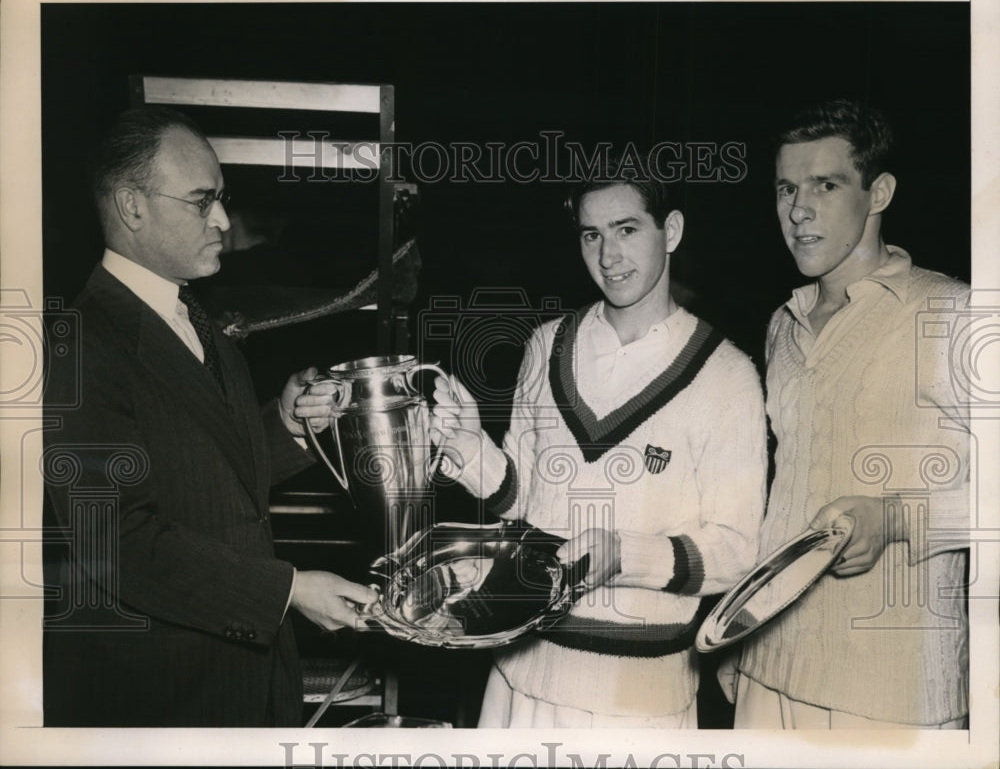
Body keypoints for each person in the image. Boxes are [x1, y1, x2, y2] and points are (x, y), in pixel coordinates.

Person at [42, 106, 376, 727]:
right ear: (131, 206)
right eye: (201, 201)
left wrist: (288, 425)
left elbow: (207, 478)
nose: (223, 221)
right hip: (159, 697)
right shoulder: (80, 343)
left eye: (222, 198)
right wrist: (288, 592)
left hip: (243, 681)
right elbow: (114, 540)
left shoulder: (195, 319)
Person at [428, 162, 768, 727]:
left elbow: (735, 551)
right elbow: (524, 502)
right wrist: (472, 452)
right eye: (592, 235)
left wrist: (623, 555)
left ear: (673, 231)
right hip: (521, 676)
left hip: (639, 702)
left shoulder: (726, 375)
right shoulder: (546, 344)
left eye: (627, 229)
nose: (609, 255)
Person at [732, 99, 970, 728]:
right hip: (764, 664)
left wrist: (894, 519)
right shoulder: (780, 328)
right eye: (786, 188)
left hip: (890, 690)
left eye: (826, 185)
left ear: (879, 192)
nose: (798, 209)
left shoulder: (956, 312)